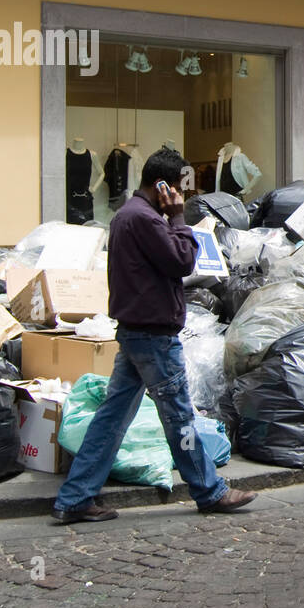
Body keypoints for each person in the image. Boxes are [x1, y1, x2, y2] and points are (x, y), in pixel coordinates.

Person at [52, 147, 254, 523]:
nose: (182, 195)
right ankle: (210, 491)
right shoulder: (146, 219)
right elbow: (182, 261)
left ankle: (75, 498)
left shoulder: (129, 215)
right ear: (164, 186)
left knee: (111, 418)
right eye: (179, 188)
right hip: (153, 336)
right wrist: (179, 218)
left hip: (136, 332)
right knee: (180, 418)